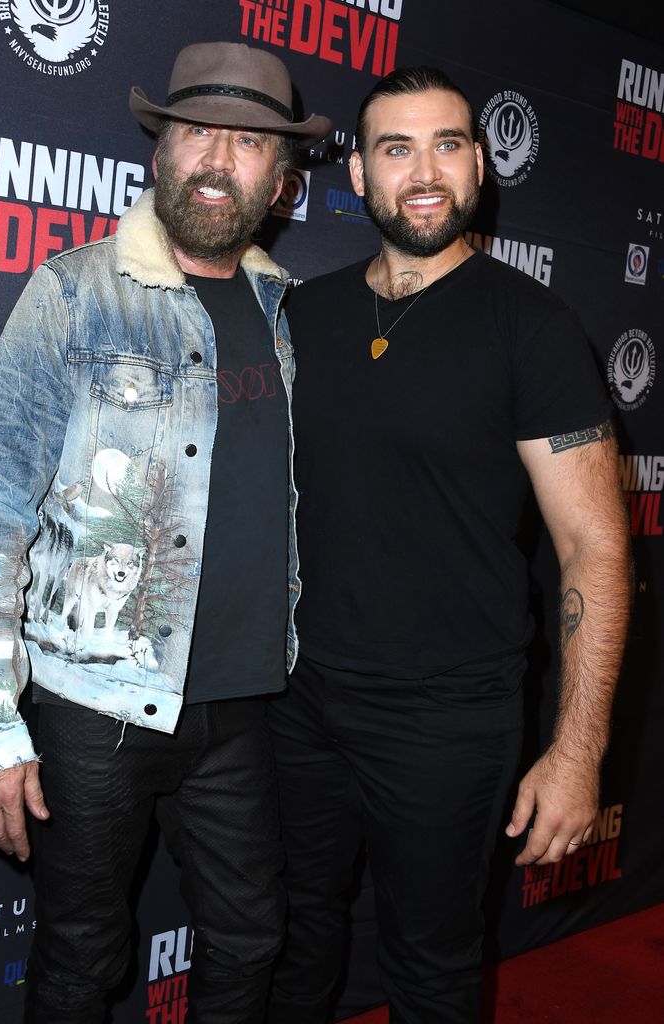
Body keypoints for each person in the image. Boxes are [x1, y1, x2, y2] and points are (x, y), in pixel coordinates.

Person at [0, 41, 330, 1024]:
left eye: (244, 142)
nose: (214, 160)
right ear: (158, 155)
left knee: (250, 937)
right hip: (95, 704)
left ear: (281, 181)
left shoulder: (282, 310)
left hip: (242, 703)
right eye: (195, 132)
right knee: (82, 957)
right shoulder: (75, 290)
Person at [267, 66, 631, 1024]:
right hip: (297, 705)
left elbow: (594, 548)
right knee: (295, 941)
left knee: (429, 969)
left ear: (479, 163)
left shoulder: (533, 329)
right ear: (356, 171)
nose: (423, 171)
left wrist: (576, 749)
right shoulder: (304, 315)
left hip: (446, 719)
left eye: (447, 144)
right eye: (396, 148)